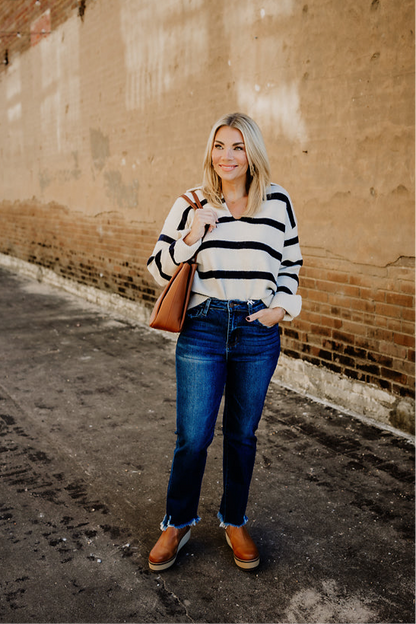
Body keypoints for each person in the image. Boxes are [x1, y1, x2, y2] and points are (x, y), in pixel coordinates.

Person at [147, 112, 302, 571]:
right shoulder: (191, 202)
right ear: (209, 151)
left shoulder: (278, 202)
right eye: (219, 146)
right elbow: (156, 268)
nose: (227, 156)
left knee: (241, 435)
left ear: (252, 152)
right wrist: (192, 234)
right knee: (193, 436)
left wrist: (281, 307)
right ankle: (177, 522)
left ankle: (234, 520)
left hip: (257, 329)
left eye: (237, 147)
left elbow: (291, 263)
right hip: (204, 326)